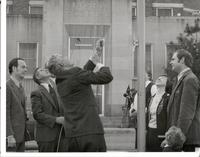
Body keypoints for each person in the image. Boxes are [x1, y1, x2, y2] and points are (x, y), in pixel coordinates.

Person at [46, 40, 113, 152]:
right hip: (90, 132)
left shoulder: (61, 81)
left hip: (73, 135)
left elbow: (80, 75)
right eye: (63, 57)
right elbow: (106, 77)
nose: (67, 56)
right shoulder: (75, 74)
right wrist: (100, 65)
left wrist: (96, 55)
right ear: (61, 65)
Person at [166, 49, 200, 152]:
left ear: (182, 60)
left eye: (173, 59)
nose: (170, 62)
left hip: (185, 140)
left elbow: (186, 114)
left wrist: (175, 140)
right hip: (180, 138)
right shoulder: (179, 79)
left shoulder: (190, 79)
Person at [31, 67, 67, 152]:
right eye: (41, 70)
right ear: (38, 77)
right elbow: (37, 114)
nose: (46, 69)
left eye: (45, 68)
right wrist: (56, 119)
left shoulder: (56, 89)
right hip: (46, 137)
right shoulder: (36, 92)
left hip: (62, 135)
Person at [129, 72, 157, 149]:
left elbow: (154, 102)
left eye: (143, 74)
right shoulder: (141, 87)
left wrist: (143, 111)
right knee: (139, 139)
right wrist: (132, 110)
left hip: (146, 118)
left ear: (148, 76)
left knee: (144, 141)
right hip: (138, 117)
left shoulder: (152, 86)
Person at [6, 58, 28, 152]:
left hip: (21, 136)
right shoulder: (6, 87)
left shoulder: (21, 87)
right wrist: (9, 135)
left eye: (26, 67)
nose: (26, 70)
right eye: (23, 67)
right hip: (11, 138)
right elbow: (4, 113)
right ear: (14, 68)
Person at [146, 74, 170, 152]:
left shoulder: (168, 98)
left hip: (161, 132)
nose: (159, 78)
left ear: (167, 83)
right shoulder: (151, 98)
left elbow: (169, 118)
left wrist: (167, 136)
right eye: (158, 77)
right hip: (150, 131)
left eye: (163, 78)